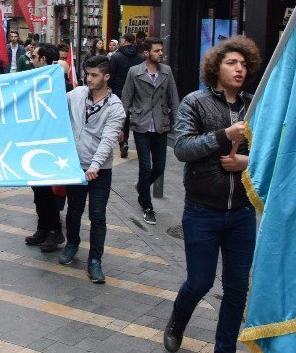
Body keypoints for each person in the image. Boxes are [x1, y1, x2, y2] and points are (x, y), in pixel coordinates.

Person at [165, 36, 261, 353]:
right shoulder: (195, 102)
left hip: (242, 214)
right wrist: (224, 136)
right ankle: (178, 318)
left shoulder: (254, 105)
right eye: (231, 62)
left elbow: (269, 152)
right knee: (200, 281)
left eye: (244, 64)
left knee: (236, 290)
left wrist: (246, 162)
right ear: (216, 67)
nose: (239, 69)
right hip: (202, 211)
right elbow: (182, 149)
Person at [59, 56, 125, 283]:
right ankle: (72, 243)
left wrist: (95, 166)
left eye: (95, 75)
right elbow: (54, 99)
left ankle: (95, 260)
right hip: (76, 166)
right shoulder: (77, 94)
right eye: (88, 74)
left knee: (98, 215)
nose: (89, 78)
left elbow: (108, 140)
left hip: (100, 170)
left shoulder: (116, 107)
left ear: (106, 77)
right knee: (74, 210)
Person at [121, 37, 180, 224]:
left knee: (160, 167)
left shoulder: (167, 71)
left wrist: (178, 124)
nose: (161, 53)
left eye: (161, 50)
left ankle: (141, 186)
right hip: (141, 124)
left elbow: (174, 99)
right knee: (145, 166)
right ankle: (147, 206)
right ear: (146, 53)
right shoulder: (134, 72)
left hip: (161, 124)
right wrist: (120, 127)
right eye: (156, 50)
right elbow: (126, 100)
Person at [24, 42, 68, 253]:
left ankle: (56, 232)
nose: (31, 60)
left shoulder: (60, 83)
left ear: (42, 60)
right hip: (35, 142)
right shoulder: (34, 81)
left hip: (51, 145)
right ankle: (43, 229)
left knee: (48, 192)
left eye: (34, 57)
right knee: (39, 191)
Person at [108, 33, 143, 158]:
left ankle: (124, 142)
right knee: (138, 115)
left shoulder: (116, 57)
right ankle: (142, 144)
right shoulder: (140, 58)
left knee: (123, 117)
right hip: (137, 91)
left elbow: (111, 75)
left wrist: (110, 89)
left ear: (123, 41)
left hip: (119, 91)